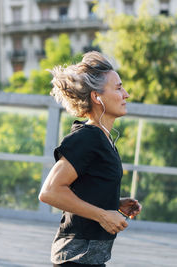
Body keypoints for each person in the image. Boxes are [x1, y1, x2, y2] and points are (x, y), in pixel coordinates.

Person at [38, 51, 142, 267]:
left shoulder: (103, 138)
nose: (126, 94)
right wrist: (103, 215)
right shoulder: (88, 137)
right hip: (75, 257)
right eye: (118, 87)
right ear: (97, 97)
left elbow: (85, 187)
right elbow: (50, 192)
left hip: (91, 259)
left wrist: (115, 203)